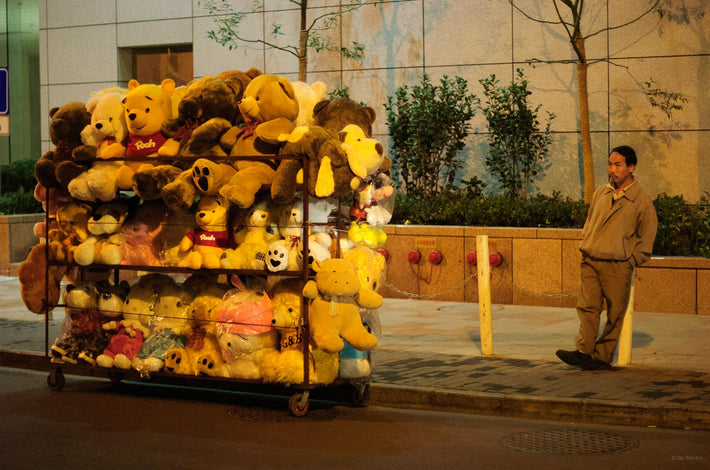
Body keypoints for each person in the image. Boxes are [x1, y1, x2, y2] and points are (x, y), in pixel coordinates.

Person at [556, 145, 658, 371]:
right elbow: (589, 223)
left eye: (618, 165)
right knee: (587, 307)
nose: (612, 169)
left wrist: (630, 260)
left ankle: (602, 357)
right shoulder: (600, 193)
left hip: (618, 265)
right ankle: (583, 351)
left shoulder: (641, 201)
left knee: (615, 313)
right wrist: (587, 244)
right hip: (591, 260)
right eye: (610, 164)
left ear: (631, 167)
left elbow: (646, 238)